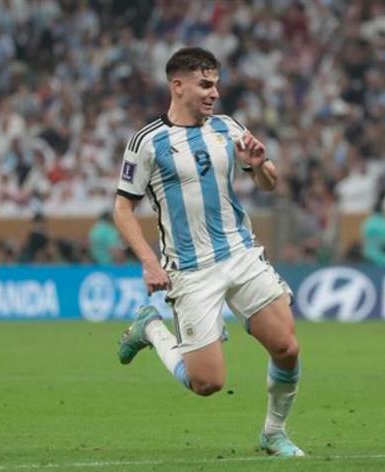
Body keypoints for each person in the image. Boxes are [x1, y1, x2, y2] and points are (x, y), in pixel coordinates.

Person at [113, 47, 303, 457]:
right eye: (204, 84)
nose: (213, 92)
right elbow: (122, 208)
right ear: (177, 85)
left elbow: (269, 183)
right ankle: (150, 327)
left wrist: (257, 165)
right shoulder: (147, 142)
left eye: (215, 83)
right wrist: (149, 261)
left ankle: (273, 433)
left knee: (287, 347)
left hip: (240, 252)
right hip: (190, 270)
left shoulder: (226, 127)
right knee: (207, 383)